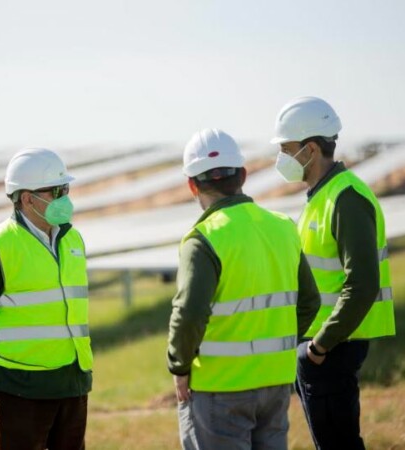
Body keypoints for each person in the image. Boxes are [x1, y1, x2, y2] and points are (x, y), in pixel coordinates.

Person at [167, 128, 321, 450]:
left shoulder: (203, 239)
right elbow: (309, 302)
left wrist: (179, 366)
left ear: (192, 185)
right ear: (243, 175)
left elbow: (189, 313)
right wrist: (274, 346)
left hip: (219, 387)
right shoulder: (283, 227)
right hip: (275, 383)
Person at [271, 96, 396, 450]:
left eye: (286, 149)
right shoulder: (321, 196)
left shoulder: (346, 198)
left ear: (310, 149)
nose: (281, 158)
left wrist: (319, 346)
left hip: (332, 347)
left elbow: (362, 284)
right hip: (321, 347)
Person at [0, 147, 93, 450]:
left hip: (72, 382)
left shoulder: (72, 239)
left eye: (66, 189)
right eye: (57, 191)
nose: (65, 198)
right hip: (19, 386)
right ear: (27, 199)